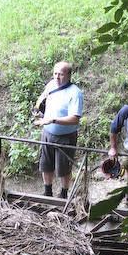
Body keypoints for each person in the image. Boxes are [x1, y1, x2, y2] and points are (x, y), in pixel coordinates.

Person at [32, 61, 84, 198]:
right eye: (55, 74)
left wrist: (53, 119)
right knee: (45, 164)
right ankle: (47, 191)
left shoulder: (75, 93)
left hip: (65, 136)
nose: (57, 77)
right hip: (47, 132)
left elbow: (75, 118)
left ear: (69, 75)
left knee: (64, 168)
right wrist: (39, 111)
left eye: (60, 74)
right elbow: (43, 98)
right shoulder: (51, 85)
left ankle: (63, 193)